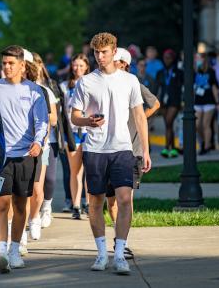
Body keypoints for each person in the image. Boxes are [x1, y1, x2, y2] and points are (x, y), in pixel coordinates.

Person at [70, 33, 151, 274]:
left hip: (122, 149)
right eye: (96, 52)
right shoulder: (86, 82)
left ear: (114, 51)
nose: (100, 56)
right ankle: (101, 253)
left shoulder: (130, 80)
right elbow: (74, 115)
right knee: (95, 202)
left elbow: (139, 117)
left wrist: (145, 151)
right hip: (95, 149)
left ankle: (120, 253)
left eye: (104, 52)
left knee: (125, 199)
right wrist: (88, 121)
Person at [0, 45, 48, 272]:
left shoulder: (35, 91)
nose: (6, 67)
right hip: (1, 156)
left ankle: (15, 249)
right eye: (4, 63)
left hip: (25, 155)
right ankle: (1, 250)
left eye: (11, 63)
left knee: (20, 205)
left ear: (22, 66)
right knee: (2, 203)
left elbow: (41, 122)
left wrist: (38, 142)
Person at [107, 47, 159, 259]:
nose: (114, 64)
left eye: (118, 61)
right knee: (110, 201)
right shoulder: (105, 82)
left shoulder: (133, 83)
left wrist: (140, 120)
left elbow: (155, 103)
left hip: (133, 149)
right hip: (109, 148)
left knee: (125, 199)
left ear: (125, 65)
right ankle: (118, 233)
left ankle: (123, 242)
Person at [33, 52, 64, 229]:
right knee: (34, 183)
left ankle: (46, 207)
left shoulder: (49, 86)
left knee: (50, 179)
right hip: (28, 143)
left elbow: (55, 117)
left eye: (37, 64)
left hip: (49, 140)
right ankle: (34, 215)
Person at [59, 53, 90, 220]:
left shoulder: (92, 83)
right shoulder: (65, 86)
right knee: (75, 171)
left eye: (81, 65)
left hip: (89, 132)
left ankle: (89, 204)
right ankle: (76, 205)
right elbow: (62, 112)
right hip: (72, 133)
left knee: (89, 170)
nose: (77, 68)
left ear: (86, 67)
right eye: (75, 65)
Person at [156, 49, 183, 158]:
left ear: (173, 59)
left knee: (169, 121)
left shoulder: (179, 72)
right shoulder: (160, 73)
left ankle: (167, 147)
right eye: (165, 57)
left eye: (169, 58)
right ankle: (172, 148)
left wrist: (183, 101)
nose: (167, 60)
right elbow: (157, 88)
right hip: (163, 101)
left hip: (175, 101)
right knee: (168, 125)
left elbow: (183, 88)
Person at [194, 53, 219, 155]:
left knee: (206, 124)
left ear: (205, 60)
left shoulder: (211, 71)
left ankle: (206, 146)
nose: (198, 60)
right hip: (198, 101)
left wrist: (217, 102)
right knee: (197, 125)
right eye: (197, 59)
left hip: (209, 101)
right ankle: (202, 142)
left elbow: (214, 87)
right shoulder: (195, 72)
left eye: (199, 58)